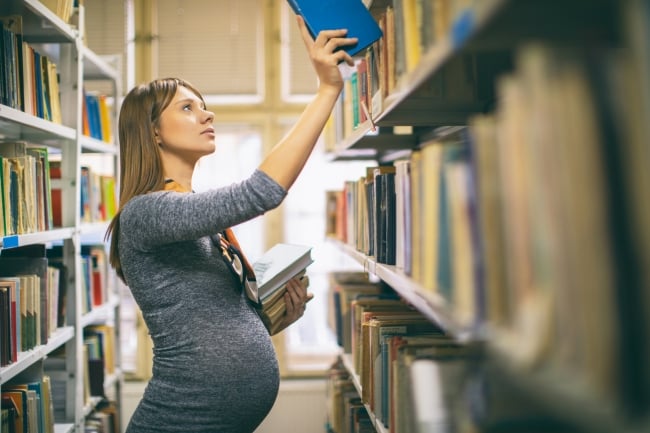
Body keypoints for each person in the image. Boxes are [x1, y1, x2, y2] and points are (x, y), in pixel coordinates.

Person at [105, 15, 358, 433]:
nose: (208, 114)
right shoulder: (146, 212)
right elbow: (262, 192)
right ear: (153, 133)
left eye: (203, 104)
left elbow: (205, 319)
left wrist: (270, 320)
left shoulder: (190, 214)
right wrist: (328, 88)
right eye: (188, 107)